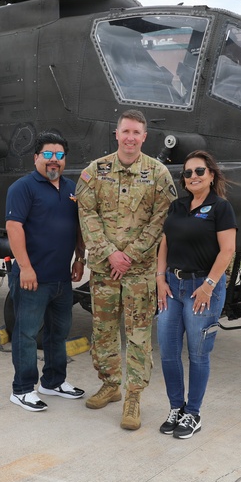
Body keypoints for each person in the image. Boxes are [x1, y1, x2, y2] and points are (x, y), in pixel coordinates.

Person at [76, 110, 176, 430]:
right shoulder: (96, 171)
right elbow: (87, 215)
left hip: (139, 274)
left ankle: (133, 396)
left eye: (137, 133)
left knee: (137, 337)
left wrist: (128, 256)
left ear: (144, 137)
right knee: (103, 331)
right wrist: (109, 254)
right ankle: (110, 384)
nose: (130, 138)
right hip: (105, 270)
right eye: (126, 132)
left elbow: (160, 222)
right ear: (116, 134)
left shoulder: (159, 174)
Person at [155, 150, 237, 439]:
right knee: (167, 351)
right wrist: (160, 279)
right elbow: (165, 243)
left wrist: (209, 285)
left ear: (211, 175)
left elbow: (227, 250)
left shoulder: (220, 208)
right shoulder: (177, 206)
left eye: (199, 171)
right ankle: (176, 407)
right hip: (172, 288)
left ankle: (193, 414)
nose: (193, 177)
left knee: (199, 354)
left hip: (203, 289)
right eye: (188, 173)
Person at [5, 132, 86, 412]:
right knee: (26, 334)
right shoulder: (23, 188)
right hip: (32, 279)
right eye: (48, 155)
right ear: (36, 158)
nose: (54, 160)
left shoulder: (71, 188)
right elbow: (14, 228)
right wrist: (25, 268)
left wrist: (80, 258)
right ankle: (23, 389)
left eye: (59, 155)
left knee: (58, 333)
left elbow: (77, 227)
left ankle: (52, 382)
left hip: (61, 278)